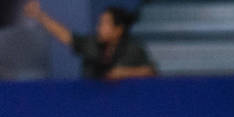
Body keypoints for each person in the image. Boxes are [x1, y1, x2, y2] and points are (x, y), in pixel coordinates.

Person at [24, 1, 156, 81]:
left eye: (105, 24)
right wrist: (40, 15)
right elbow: (66, 36)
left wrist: (125, 73)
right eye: (100, 24)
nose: (99, 28)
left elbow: (150, 72)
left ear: (118, 29)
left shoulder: (133, 50)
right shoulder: (92, 44)